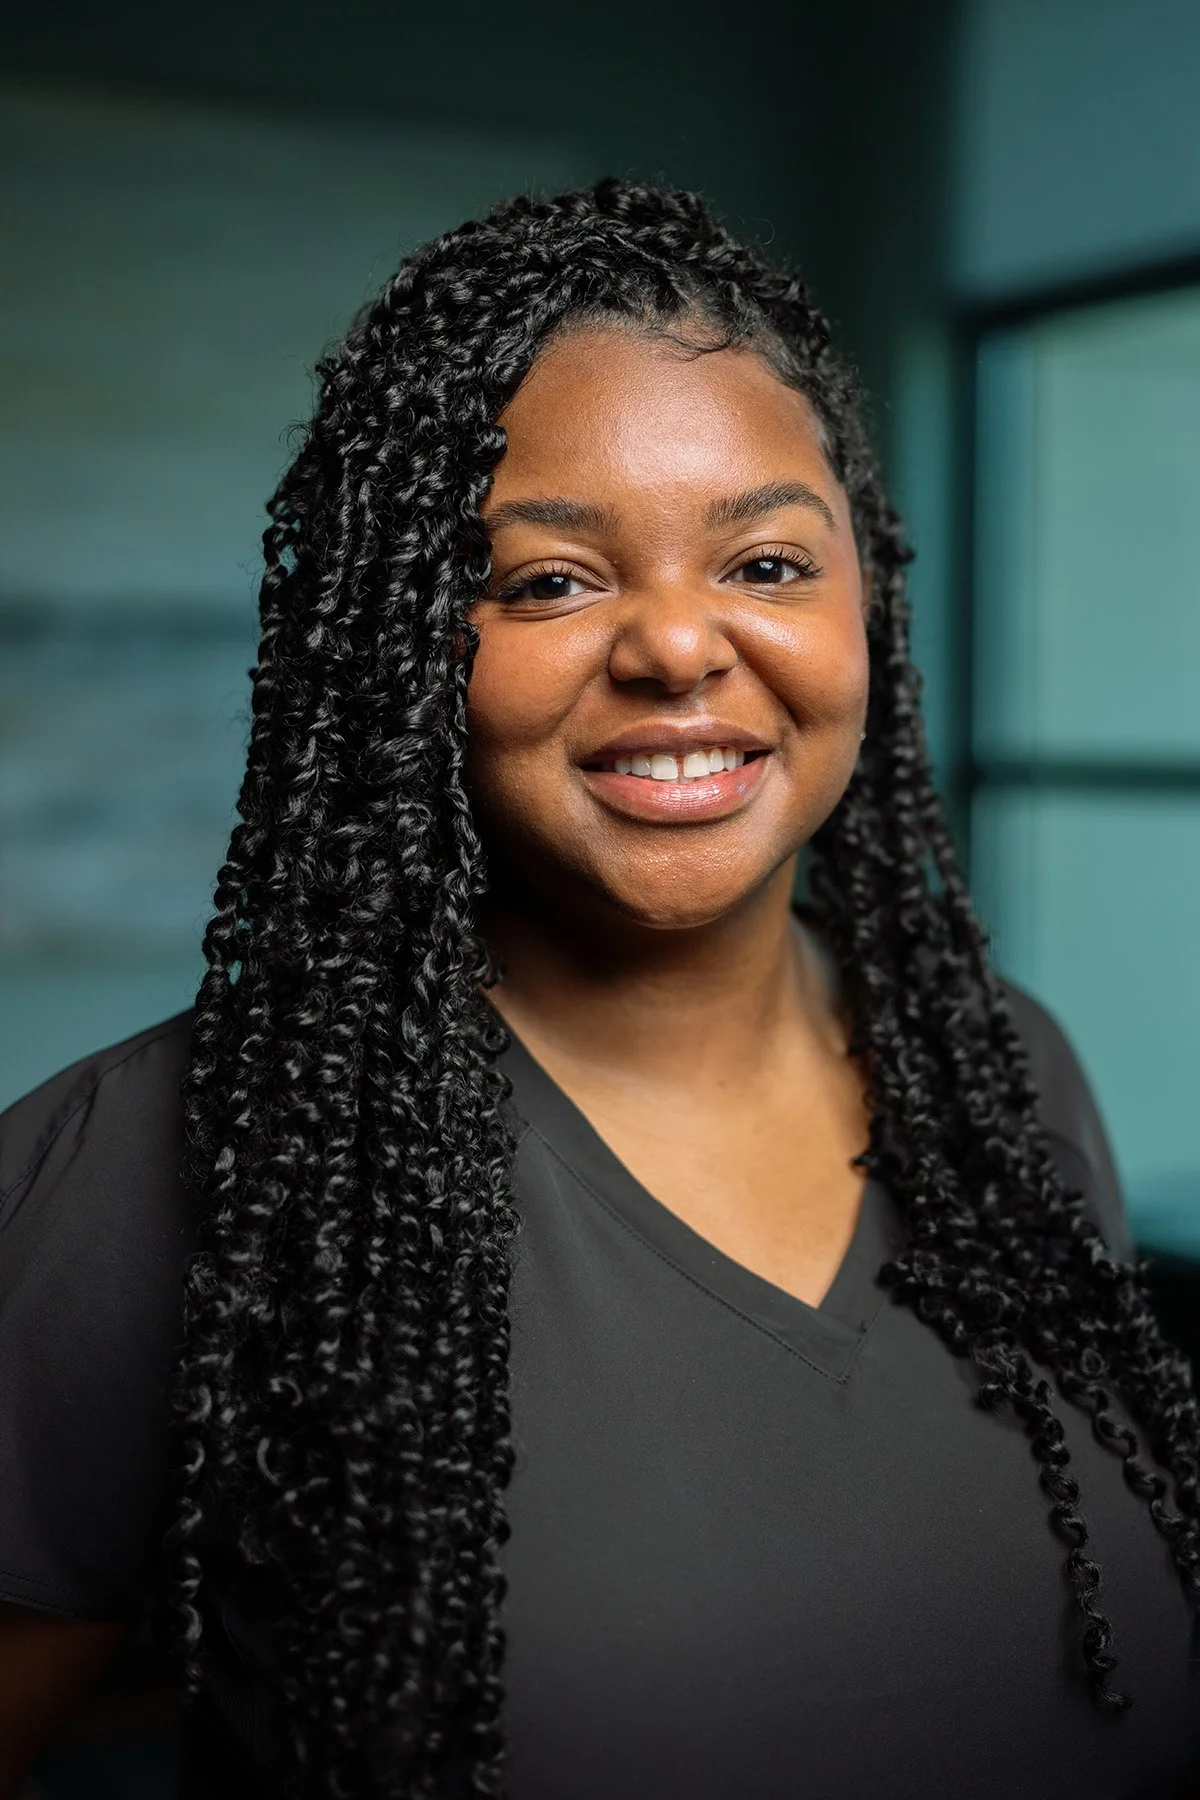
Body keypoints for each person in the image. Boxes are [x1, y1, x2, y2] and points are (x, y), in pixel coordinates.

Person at [0, 180, 1197, 1800]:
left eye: (769, 561)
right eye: (550, 582)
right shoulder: (158, 1169)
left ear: (868, 604)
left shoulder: (1007, 1083)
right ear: (401, 642)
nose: (681, 647)